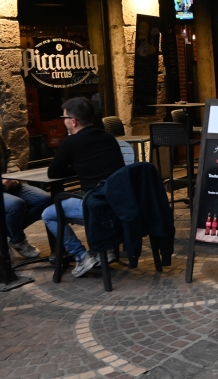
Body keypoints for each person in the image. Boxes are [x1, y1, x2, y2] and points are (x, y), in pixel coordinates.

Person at [41, 97, 126, 277]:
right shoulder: (109, 138)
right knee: (95, 194)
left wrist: (74, 163)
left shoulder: (71, 142)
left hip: (95, 205)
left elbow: (53, 172)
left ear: (73, 121)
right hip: (120, 203)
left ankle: (81, 256)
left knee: (48, 214)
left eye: (64, 118)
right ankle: (105, 249)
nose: (63, 121)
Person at [1, 129, 51, 258]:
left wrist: (12, 175)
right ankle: (18, 240)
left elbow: (9, 154)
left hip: (9, 182)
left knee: (44, 200)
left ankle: (7, 235)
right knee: (15, 205)